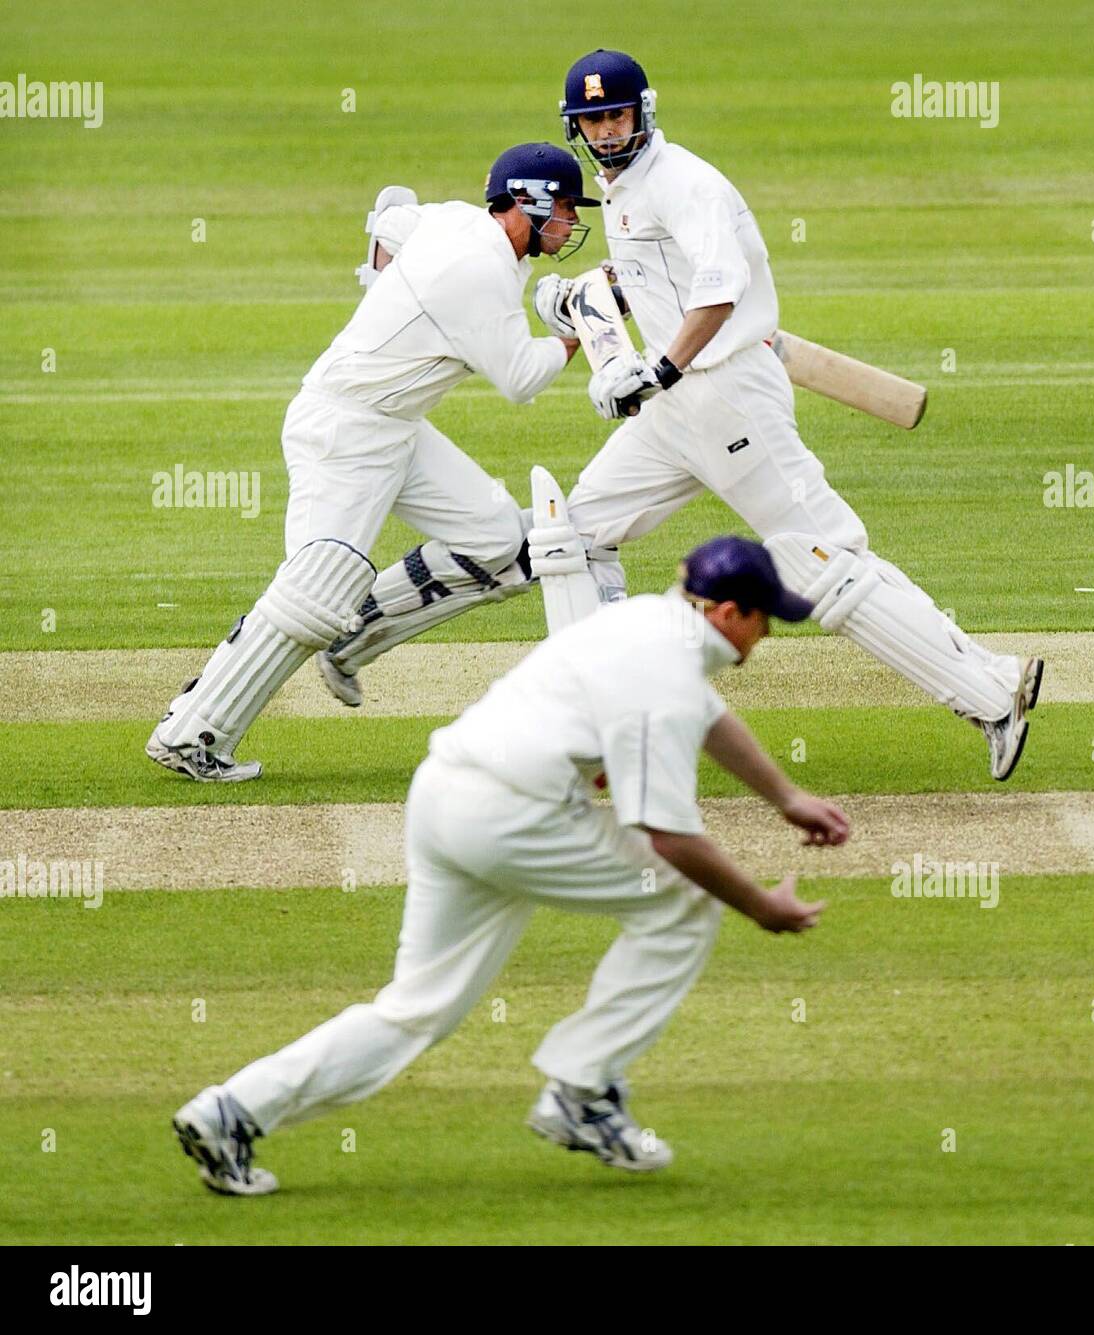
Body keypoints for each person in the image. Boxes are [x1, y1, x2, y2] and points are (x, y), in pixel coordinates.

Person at [173, 536, 849, 1194]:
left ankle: (231, 1111)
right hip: (516, 817)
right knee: (686, 900)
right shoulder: (667, 670)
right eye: (764, 622)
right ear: (729, 612)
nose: (764, 640)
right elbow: (669, 836)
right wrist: (761, 907)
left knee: (415, 1008)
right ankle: (582, 1088)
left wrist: (787, 797)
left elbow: (709, 717)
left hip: (444, 795)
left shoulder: (649, 618)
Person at [540, 50, 1043, 780]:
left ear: (643, 112)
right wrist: (598, 298)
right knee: (575, 537)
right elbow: (665, 277)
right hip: (672, 413)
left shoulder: (686, 183)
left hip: (722, 393)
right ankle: (610, 725)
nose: (608, 131)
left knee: (824, 559)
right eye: (594, 120)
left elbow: (717, 286)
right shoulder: (620, 191)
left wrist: (662, 365)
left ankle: (992, 691)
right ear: (576, 127)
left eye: (617, 114)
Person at [146, 143, 598, 781]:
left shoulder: (455, 220)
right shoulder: (480, 267)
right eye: (567, 210)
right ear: (531, 202)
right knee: (316, 587)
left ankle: (354, 638)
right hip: (345, 429)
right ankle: (192, 733)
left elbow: (393, 215)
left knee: (497, 540)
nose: (573, 224)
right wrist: (582, 331)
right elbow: (522, 379)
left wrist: (385, 275)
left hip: (396, 428)